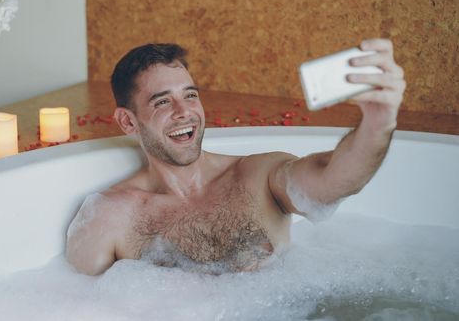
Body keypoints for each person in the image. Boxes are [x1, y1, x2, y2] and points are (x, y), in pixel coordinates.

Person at [66, 39, 406, 275]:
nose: (185, 111)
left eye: (190, 95)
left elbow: (337, 180)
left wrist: (379, 122)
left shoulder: (259, 176)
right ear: (128, 121)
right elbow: (73, 305)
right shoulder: (110, 217)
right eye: (162, 101)